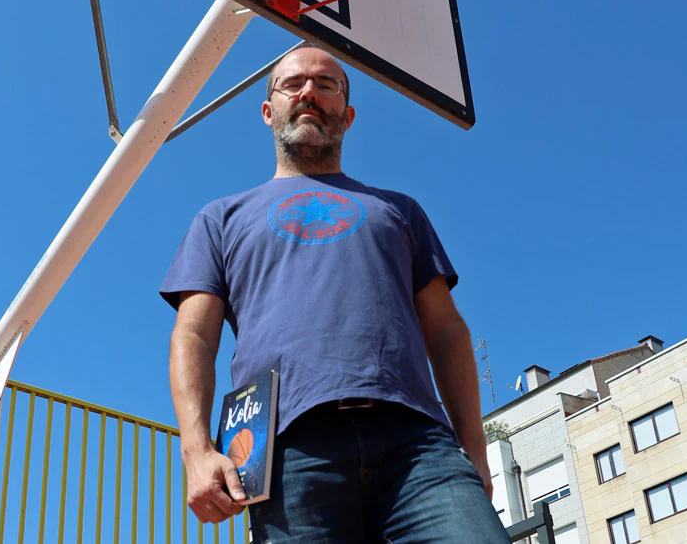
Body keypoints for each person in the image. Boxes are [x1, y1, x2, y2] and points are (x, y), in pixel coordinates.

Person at [160, 47, 511, 543]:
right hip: (286, 450)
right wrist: (196, 449)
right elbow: (193, 333)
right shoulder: (219, 219)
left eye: (327, 85)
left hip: (417, 444)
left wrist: (474, 447)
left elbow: (447, 329)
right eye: (293, 83)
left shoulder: (399, 211)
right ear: (267, 111)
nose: (309, 92)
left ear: (347, 115)